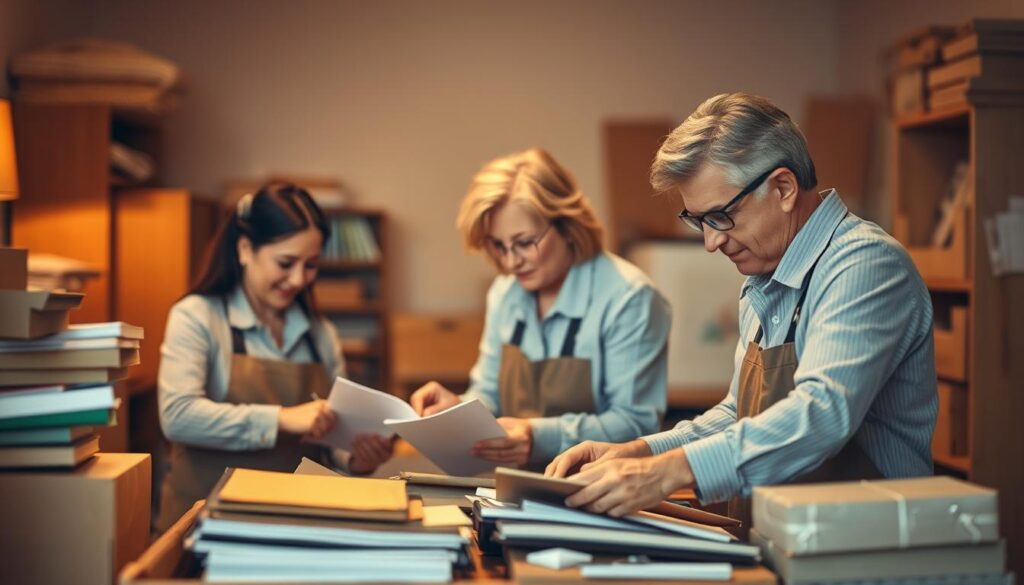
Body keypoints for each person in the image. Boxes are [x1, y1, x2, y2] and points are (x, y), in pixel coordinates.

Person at [546, 93, 937, 526]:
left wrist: (666, 473)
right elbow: (738, 415)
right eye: (699, 222)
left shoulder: (864, 264)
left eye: (720, 216)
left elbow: (822, 414)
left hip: (864, 548)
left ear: (783, 188)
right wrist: (641, 451)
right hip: (786, 535)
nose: (711, 242)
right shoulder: (766, 280)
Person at [409, 148, 672, 469]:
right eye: (498, 246)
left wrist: (539, 436)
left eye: (524, 242)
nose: (510, 261)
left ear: (567, 226)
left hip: (596, 485)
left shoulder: (630, 299)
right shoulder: (505, 292)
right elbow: (490, 394)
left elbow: (634, 425)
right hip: (509, 483)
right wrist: (457, 410)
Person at [156, 183, 392, 530]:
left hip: (295, 524)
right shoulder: (197, 316)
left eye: (311, 265)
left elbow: (331, 439)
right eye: (286, 263)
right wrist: (282, 419)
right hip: (205, 525)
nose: (298, 279)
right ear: (245, 249)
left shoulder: (319, 333)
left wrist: (357, 458)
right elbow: (178, 416)